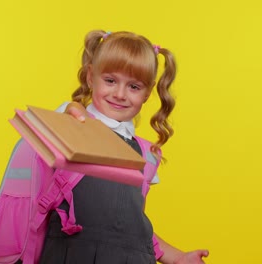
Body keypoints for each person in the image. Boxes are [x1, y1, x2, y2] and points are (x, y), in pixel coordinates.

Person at [41, 30, 209, 264]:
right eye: (110, 81)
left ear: (148, 93)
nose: (120, 94)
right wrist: (73, 112)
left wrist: (178, 257)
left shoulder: (147, 156)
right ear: (91, 77)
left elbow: (132, 227)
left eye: (134, 87)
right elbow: (50, 125)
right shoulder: (69, 128)